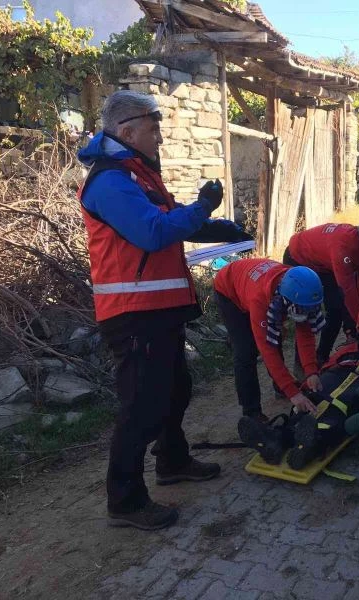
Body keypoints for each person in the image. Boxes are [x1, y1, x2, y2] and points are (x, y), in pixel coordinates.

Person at [78, 90, 244, 530]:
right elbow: (152, 233)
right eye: (154, 130)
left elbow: (171, 222)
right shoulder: (110, 181)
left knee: (175, 391)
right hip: (133, 314)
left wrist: (218, 227)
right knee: (142, 406)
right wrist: (203, 206)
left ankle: (172, 460)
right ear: (126, 130)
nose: (160, 138)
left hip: (158, 310)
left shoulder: (138, 175)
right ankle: (125, 501)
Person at [213, 258, 325, 429]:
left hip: (252, 286)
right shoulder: (261, 299)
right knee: (246, 351)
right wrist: (293, 393)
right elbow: (267, 350)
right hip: (229, 291)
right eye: (300, 309)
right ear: (284, 299)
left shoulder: (299, 287)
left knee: (275, 336)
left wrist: (311, 372)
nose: (304, 313)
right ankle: (251, 411)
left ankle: (280, 386)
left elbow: (305, 333)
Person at [286, 296, 359, 470]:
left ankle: (314, 443)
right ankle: (278, 436)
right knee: (312, 400)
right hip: (340, 375)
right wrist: (307, 386)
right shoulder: (354, 348)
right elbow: (331, 365)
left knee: (338, 414)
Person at [283, 221, 359, 364]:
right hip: (298, 258)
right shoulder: (344, 245)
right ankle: (303, 365)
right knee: (309, 313)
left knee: (336, 310)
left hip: (324, 264)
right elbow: (347, 291)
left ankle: (321, 357)